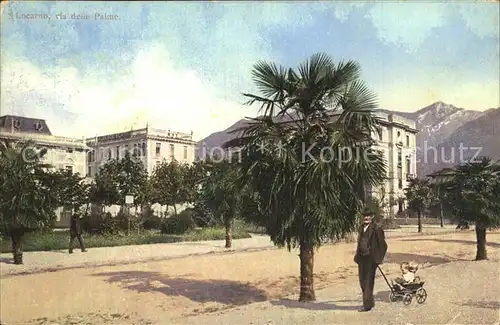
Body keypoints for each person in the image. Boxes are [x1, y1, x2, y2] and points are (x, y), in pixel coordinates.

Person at [354, 208, 387, 312]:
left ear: (372, 217)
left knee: (368, 282)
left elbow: (383, 246)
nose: (366, 217)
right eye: (364, 215)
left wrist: (377, 259)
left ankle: (367, 306)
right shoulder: (361, 228)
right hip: (361, 258)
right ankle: (370, 302)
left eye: (368, 216)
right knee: (362, 282)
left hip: (371, 259)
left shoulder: (377, 229)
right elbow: (360, 243)